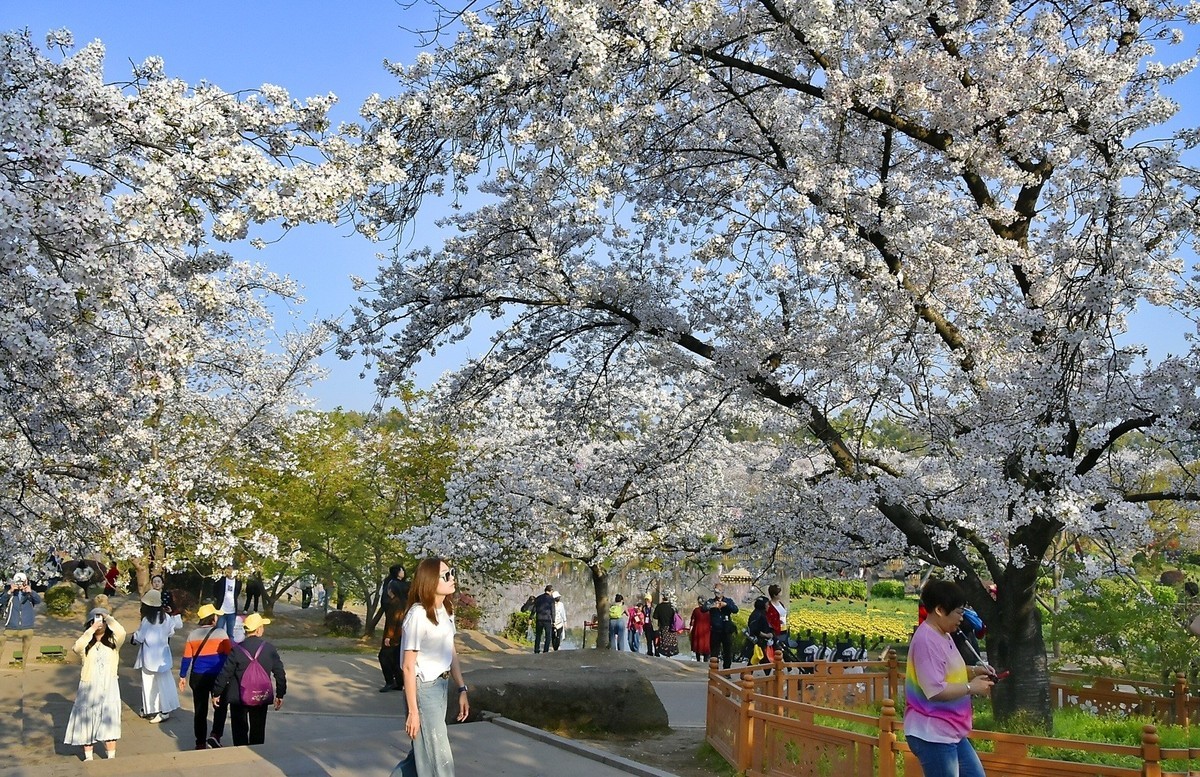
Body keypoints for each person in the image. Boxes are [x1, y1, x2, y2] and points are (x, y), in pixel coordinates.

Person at [904, 580, 993, 777]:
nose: (962, 618)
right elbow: (934, 689)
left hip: (950, 731)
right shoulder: (926, 640)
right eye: (959, 612)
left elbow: (948, 672)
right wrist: (972, 688)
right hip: (932, 733)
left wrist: (976, 670)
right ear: (939, 610)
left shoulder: (943, 635)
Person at [392, 558, 469, 777]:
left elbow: (450, 651)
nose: (452, 578)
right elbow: (407, 667)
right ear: (430, 581)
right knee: (439, 757)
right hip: (423, 690)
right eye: (446, 575)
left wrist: (462, 688)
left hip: (440, 686)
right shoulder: (418, 615)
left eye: (451, 572)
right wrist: (413, 712)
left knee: (420, 755)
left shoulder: (446, 609)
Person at [212, 612, 286, 746]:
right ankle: (256, 754)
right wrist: (280, 693)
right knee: (258, 729)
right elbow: (279, 673)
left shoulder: (236, 649)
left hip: (238, 696)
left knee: (239, 730)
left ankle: (241, 753)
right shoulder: (269, 649)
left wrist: (217, 692)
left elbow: (225, 672)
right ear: (258, 630)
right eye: (262, 626)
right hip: (260, 696)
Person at [64, 606, 125, 760]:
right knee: (87, 718)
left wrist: (108, 617)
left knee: (109, 717)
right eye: (96, 620)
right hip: (89, 686)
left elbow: (121, 632)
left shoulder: (113, 642)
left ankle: (111, 756)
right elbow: (76, 647)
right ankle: (88, 756)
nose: (100, 624)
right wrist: (91, 629)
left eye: (102, 621)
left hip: (109, 685)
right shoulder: (86, 644)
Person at [179, 603, 232, 749]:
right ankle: (215, 735)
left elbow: (186, 658)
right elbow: (230, 654)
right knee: (220, 706)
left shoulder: (192, 635)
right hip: (218, 676)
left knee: (200, 710)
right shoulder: (221, 633)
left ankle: (200, 742)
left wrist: (182, 676)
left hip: (198, 676)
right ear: (212, 618)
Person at [132, 589, 182, 722]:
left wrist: (134, 638)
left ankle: (152, 710)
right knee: (165, 683)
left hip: (149, 657)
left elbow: (139, 637)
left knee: (149, 684)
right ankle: (163, 709)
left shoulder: (147, 621)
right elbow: (171, 632)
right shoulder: (166, 618)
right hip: (163, 657)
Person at [0, 572, 41, 669]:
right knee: (5, 649)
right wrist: (10, 591)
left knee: (26, 651)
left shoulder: (29, 594)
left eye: (21, 582)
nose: (19, 585)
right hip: (11, 626)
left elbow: (38, 600)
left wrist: (31, 592)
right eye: (17, 582)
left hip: (27, 626)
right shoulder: (10, 594)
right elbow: (1, 601)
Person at [379, 564, 409, 692]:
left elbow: (393, 619)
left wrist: (388, 636)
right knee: (397, 656)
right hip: (403, 631)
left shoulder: (395, 603)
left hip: (395, 632)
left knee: (384, 656)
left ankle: (390, 681)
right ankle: (399, 682)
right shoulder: (404, 599)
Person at [704, 582, 739, 669]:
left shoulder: (728, 601)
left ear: (723, 591)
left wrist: (726, 605)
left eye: (719, 590)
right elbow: (703, 608)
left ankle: (726, 670)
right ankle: (714, 669)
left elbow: (735, 610)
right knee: (714, 651)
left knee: (727, 651)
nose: (717, 592)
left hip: (726, 630)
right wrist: (712, 606)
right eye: (716, 590)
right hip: (715, 630)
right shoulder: (711, 601)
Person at [210, 565, 241, 635]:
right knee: (218, 632)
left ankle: (230, 646)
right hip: (221, 610)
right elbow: (215, 591)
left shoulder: (238, 582)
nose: (230, 572)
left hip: (232, 611)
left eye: (232, 570)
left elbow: (237, 593)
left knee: (230, 634)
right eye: (228, 569)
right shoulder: (221, 580)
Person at [746, 595, 774, 669]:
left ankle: (747, 674)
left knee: (763, 663)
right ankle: (746, 675)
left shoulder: (763, 613)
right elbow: (754, 629)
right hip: (759, 642)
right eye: (767, 604)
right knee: (757, 660)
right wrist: (766, 635)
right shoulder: (757, 614)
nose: (768, 606)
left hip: (765, 641)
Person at [653, 593, 679, 657]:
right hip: (672, 627)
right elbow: (677, 616)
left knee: (664, 641)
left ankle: (664, 653)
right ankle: (671, 653)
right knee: (671, 641)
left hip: (663, 626)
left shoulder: (659, 606)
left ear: (663, 598)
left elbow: (655, 617)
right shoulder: (672, 606)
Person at [689, 596, 711, 662]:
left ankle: (698, 660)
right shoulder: (709, 611)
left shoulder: (696, 610)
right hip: (707, 631)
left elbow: (692, 621)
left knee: (698, 644)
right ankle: (706, 660)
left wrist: (690, 629)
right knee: (706, 644)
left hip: (697, 629)